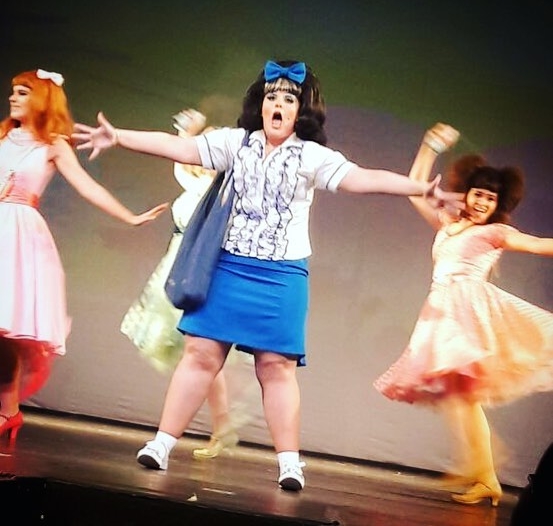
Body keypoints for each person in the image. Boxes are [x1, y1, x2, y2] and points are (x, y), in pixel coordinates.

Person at [72, 59, 464, 491]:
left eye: (289, 99)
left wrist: (420, 188)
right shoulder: (234, 143)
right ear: (260, 104)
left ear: (301, 110)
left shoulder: (311, 156)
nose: (278, 104)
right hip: (227, 267)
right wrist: (119, 136)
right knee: (200, 355)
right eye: (271, 96)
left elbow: (361, 178)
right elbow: (177, 147)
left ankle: (289, 465)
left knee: (276, 367)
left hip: (281, 276)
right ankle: (162, 444)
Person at [374, 123, 553, 507]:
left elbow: (539, 245)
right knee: (458, 397)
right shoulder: (449, 225)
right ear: (468, 193)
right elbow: (416, 188)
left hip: (466, 313)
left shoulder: (495, 233)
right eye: (479, 194)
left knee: (464, 397)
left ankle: (485, 471)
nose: (483, 202)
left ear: (498, 203)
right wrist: (430, 145)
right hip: (440, 312)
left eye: (491, 198)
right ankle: (482, 466)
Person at [0, 69, 168, 444]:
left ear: (41, 98)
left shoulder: (53, 145)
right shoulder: (2, 135)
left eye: (23, 92)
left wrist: (129, 216)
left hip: (17, 236)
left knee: (5, 330)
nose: (13, 98)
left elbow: (86, 187)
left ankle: (7, 412)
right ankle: (8, 412)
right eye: (13, 91)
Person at [120, 108, 254, 459]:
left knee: (199, 351)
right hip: (178, 265)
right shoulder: (195, 180)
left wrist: (187, 135)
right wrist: (188, 136)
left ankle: (207, 429)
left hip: (201, 270)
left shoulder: (220, 189)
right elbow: (182, 162)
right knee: (196, 354)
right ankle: (222, 427)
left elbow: (184, 162)